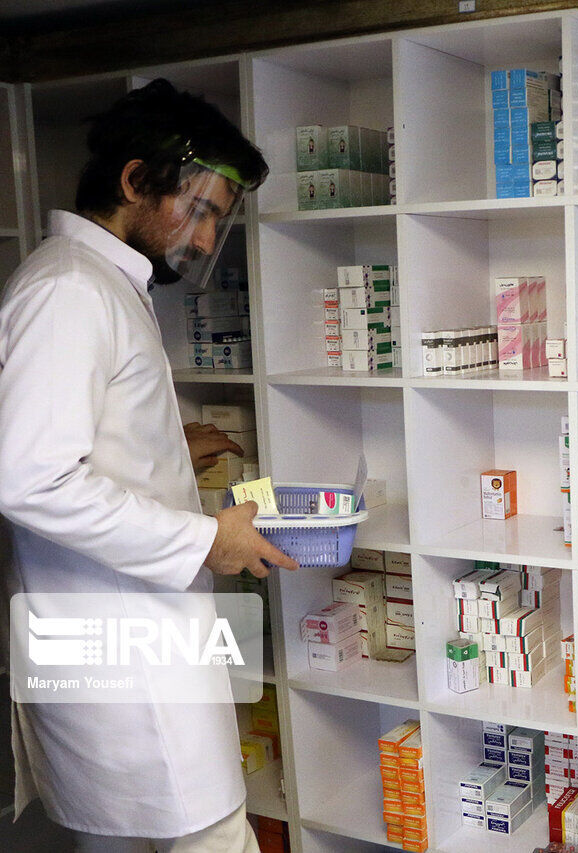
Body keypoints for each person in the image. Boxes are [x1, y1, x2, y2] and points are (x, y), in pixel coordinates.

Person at [0, 79, 299, 852]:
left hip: (127, 658)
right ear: (135, 181)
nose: (203, 239)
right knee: (212, 833)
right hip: (129, 671)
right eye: (198, 211)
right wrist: (207, 540)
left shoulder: (99, 282)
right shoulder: (69, 290)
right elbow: (29, 477)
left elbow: (69, 446)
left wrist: (162, 446)